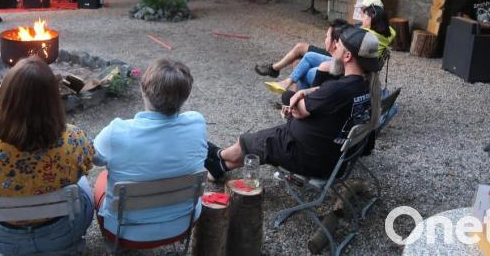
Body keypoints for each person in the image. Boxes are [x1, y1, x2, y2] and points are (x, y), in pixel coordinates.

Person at [0, 57, 95, 254]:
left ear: (5, 97)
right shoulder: (73, 139)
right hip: (62, 234)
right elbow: (87, 165)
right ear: (54, 100)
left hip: (6, 240)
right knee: (82, 184)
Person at [206, 27, 380, 181]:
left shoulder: (337, 89)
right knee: (260, 141)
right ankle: (220, 166)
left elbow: (298, 110)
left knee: (247, 142)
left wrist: (295, 98)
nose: (334, 48)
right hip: (332, 157)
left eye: (339, 46)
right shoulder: (367, 85)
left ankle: (217, 154)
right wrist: (304, 92)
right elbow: (323, 94)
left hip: (306, 156)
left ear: (348, 56)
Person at [92, 58, 206, 244]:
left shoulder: (116, 131)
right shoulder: (197, 123)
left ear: (143, 90)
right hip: (182, 224)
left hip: (124, 232)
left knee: (102, 178)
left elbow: (95, 159)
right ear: (185, 95)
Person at [268, 19, 350, 92]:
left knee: (305, 72)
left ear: (335, 43)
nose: (325, 40)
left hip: (341, 75)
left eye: (327, 37)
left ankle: (296, 97)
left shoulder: (344, 54)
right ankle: (288, 83)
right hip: (338, 66)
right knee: (308, 57)